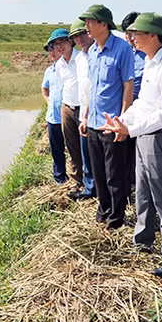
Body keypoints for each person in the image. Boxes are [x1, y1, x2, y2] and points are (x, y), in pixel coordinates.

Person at [101, 12, 162, 278]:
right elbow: (143, 104)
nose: (132, 38)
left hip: (160, 137)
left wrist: (131, 129)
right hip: (144, 136)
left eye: (137, 33)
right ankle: (142, 240)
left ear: (153, 35)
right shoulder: (151, 62)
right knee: (144, 193)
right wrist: (123, 122)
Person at [78, 4, 134, 229]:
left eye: (90, 22)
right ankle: (103, 209)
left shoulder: (122, 49)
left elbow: (128, 85)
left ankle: (116, 217)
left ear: (103, 24)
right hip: (93, 122)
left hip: (111, 123)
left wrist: (123, 120)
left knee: (114, 173)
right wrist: (85, 117)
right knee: (98, 172)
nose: (86, 27)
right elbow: (92, 87)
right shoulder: (92, 51)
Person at [53, 28, 84, 191]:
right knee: (72, 147)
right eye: (55, 44)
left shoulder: (81, 58)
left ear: (71, 41)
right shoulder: (59, 65)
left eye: (62, 41)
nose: (59, 46)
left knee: (87, 147)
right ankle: (77, 180)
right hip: (67, 108)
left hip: (83, 109)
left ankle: (92, 180)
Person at [69, 19, 96, 200]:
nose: (79, 39)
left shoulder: (98, 54)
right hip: (84, 113)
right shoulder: (79, 59)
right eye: (75, 36)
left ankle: (102, 189)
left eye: (81, 34)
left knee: (100, 155)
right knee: (86, 152)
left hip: (99, 113)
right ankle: (90, 188)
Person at [121, 11, 146, 199]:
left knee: (142, 149)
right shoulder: (125, 52)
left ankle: (141, 186)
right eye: (127, 33)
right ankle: (130, 184)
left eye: (133, 33)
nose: (130, 37)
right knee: (126, 149)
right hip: (127, 108)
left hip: (144, 109)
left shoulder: (150, 54)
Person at [42, 30, 67, 184]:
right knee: (56, 149)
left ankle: (80, 177)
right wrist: (49, 102)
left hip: (69, 116)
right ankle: (60, 178)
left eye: (53, 48)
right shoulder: (49, 71)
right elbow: (44, 89)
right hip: (53, 117)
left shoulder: (69, 66)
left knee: (75, 149)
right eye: (49, 49)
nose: (51, 52)